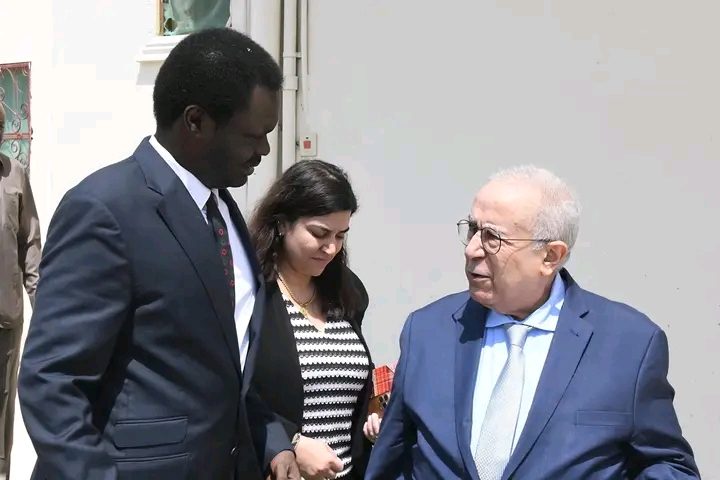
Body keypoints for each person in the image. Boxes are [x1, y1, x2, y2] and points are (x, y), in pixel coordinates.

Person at [18, 28, 299, 480]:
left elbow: (227, 365)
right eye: (253, 136)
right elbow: (52, 382)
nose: (264, 151)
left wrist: (271, 440)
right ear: (195, 122)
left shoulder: (225, 212)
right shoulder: (105, 210)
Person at [365, 165, 700, 479]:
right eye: (472, 229)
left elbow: (668, 465)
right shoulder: (427, 331)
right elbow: (391, 460)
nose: (472, 249)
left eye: (492, 237)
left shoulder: (629, 344)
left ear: (550, 256)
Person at [249, 160, 375, 480]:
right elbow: (230, 390)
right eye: (319, 233)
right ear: (282, 224)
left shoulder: (347, 292)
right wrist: (289, 441)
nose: (331, 248)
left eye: (341, 235)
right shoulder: (251, 293)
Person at [0, 102, 41, 480]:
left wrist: (41, 306)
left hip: (5, 316)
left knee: (2, 410)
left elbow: (30, 244)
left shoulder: (14, 174)